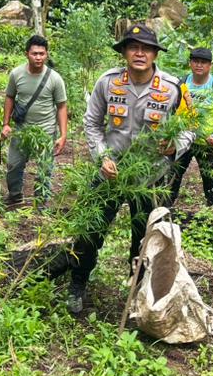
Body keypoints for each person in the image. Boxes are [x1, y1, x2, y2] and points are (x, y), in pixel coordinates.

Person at [67, 24, 194, 315]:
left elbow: (189, 129)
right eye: (133, 47)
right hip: (110, 173)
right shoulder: (108, 83)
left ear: (154, 54)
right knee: (90, 230)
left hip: (151, 178)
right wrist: (101, 157)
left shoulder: (173, 88)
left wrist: (176, 146)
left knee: (146, 241)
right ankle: (77, 284)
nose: (140, 53)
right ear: (124, 51)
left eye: (146, 48)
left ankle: (138, 297)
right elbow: (92, 123)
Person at [0, 34, 68, 209]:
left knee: (45, 168)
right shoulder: (16, 74)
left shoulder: (55, 78)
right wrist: (6, 124)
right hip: (22, 128)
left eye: (42, 54)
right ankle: (15, 196)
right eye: (34, 53)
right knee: (14, 164)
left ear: (47, 55)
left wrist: (62, 135)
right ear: (26, 54)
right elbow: (9, 97)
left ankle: (41, 201)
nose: (38, 57)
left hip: (45, 129)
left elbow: (61, 106)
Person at [168, 47, 213, 208]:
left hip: (207, 142)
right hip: (183, 140)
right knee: (173, 175)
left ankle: (212, 209)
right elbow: (171, 111)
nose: (199, 65)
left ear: (210, 65)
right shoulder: (181, 84)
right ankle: (165, 209)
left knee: (209, 177)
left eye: (203, 62)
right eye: (195, 61)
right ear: (190, 63)